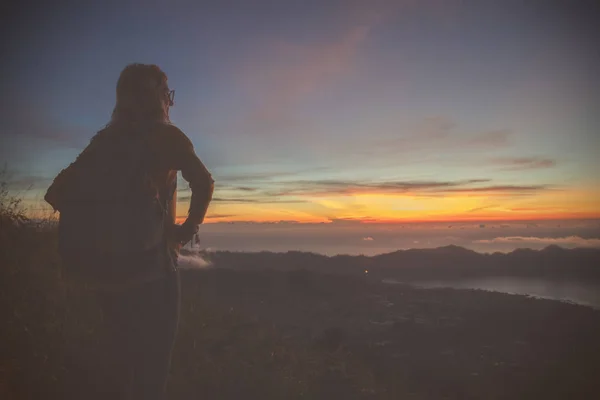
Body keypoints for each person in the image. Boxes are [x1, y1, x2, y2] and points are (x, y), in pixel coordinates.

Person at [44, 63, 214, 399]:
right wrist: (186, 230)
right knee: (153, 369)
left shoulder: (104, 140)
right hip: (154, 271)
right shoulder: (166, 136)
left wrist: (102, 227)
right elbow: (204, 182)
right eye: (169, 93)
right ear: (158, 97)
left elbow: (58, 192)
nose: (171, 102)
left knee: (119, 364)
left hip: (105, 274)